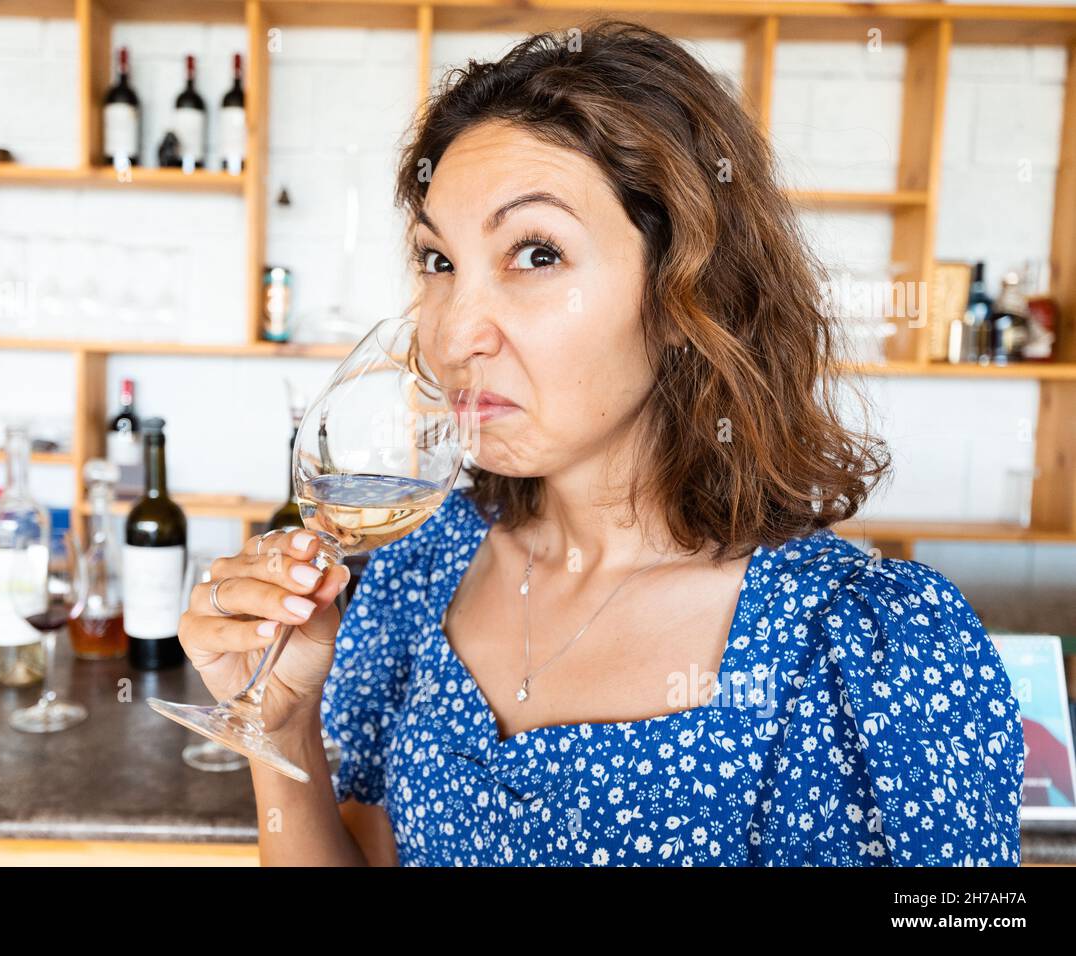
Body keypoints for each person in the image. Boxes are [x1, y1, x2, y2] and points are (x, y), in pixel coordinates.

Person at [179, 19, 1024, 866]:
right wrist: (278, 728)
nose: (454, 332)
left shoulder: (870, 648)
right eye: (439, 262)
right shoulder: (421, 573)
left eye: (536, 253)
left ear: (687, 292)